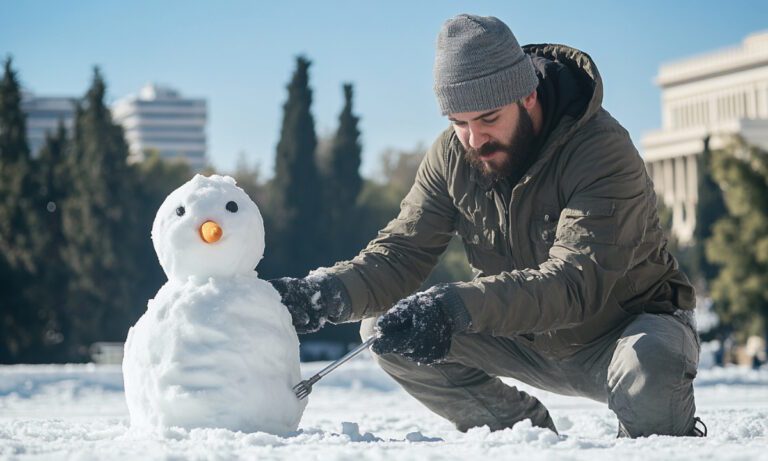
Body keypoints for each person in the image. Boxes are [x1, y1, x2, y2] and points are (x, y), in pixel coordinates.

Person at [270, 13, 706, 438]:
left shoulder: (602, 153)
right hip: (524, 337)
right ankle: (520, 435)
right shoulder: (452, 155)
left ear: (528, 96)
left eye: (488, 119)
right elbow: (402, 253)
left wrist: (453, 306)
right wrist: (322, 295)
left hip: (620, 334)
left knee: (649, 366)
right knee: (387, 332)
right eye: (459, 123)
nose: (475, 140)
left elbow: (575, 283)